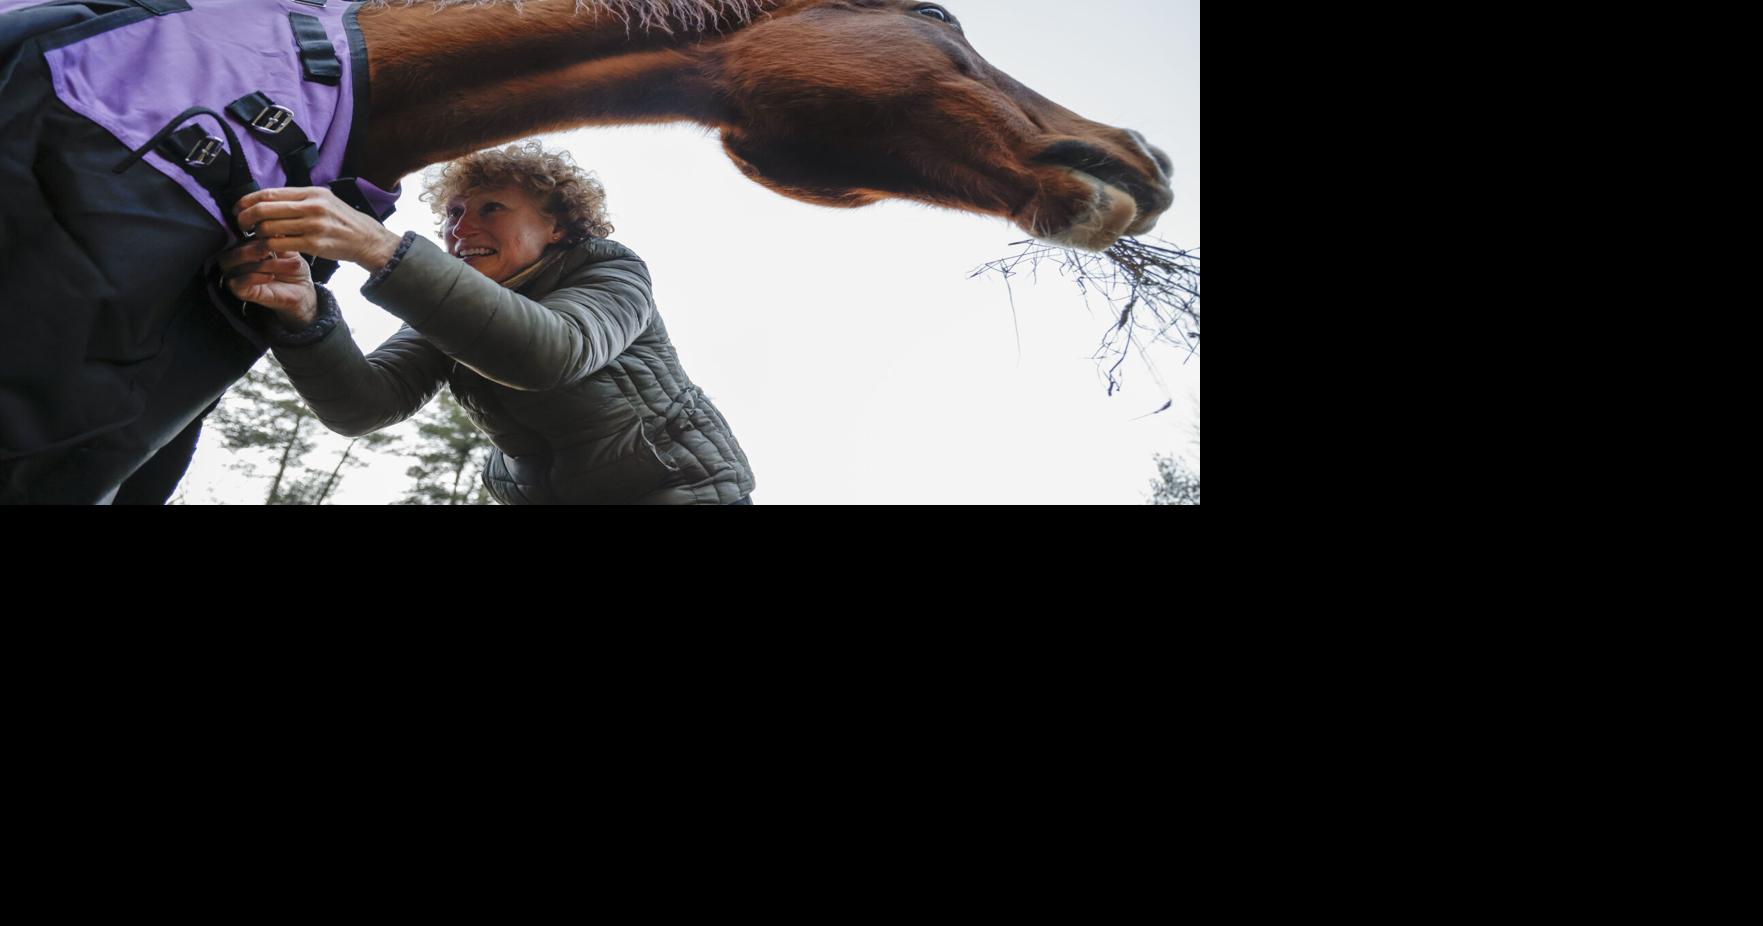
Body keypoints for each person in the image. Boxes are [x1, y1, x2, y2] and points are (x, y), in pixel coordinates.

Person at [219, 141, 754, 504]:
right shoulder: (449, 307)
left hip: (675, 491)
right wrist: (303, 312)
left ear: (558, 228)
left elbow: (553, 354)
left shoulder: (611, 272)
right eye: (452, 214)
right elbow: (365, 406)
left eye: (491, 208)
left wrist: (377, 246)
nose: (461, 229)